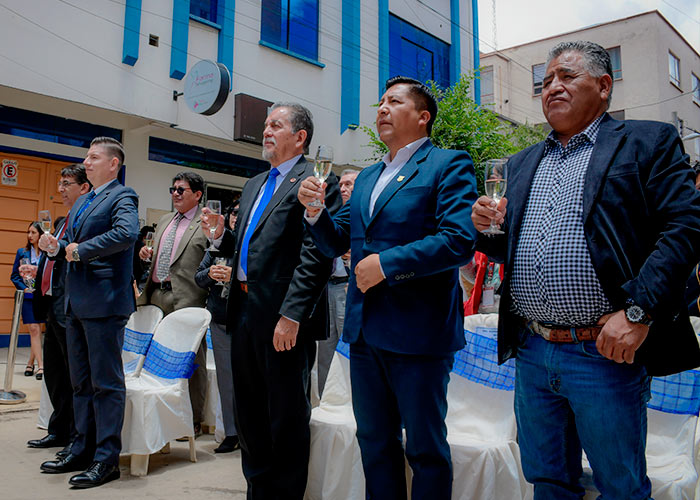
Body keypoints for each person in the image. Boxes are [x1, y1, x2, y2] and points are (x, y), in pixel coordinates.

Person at [471, 41, 700, 499]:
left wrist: (639, 312)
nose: (552, 86)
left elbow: (686, 226)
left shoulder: (646, 141)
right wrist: (487, 229)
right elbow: (506, 250)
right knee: (548, 480)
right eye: (546, 80)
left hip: (604, 351)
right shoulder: (521, 163)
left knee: (620, 487)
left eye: (567, 77)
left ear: (603, 86)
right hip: (534, 349)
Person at [298, 76, 478, 499]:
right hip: (365, 333)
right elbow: (334, 241)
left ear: (422, 116)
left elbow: (458, 239)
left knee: (425, 449)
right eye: (380, 101)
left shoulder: (448, 163)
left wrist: (387, 265)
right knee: (375, 444)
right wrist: (314, 213)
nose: (381, 108)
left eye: (394, 101)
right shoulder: (367, 177)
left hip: (419, 332)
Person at [202, 102, 341, 499]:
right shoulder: (254, 184)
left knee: (285, 416)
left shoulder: (315, 181)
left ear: (300, 137)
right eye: (265, 125)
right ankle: (257, 491)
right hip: (243, 310)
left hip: (282, 319)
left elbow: (315, 254)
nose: (266, 131)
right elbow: (248, 248)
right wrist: (218, 237)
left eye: (275, 125)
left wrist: (293, 314)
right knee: (249, 415)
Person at [38, 136, 139, 489]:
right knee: (80, 382)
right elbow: (69, 248)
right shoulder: (84, 202)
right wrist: (55, 248)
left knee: (106, 384)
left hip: (105, 303)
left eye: (94, 157)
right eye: (87, 155)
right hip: (75, 303)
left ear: (113, 164)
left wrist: (79, 251)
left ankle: (106, 458)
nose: (87, 161)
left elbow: (127, 233)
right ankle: (80, 447)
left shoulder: (122, 196)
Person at [25, 165, 91, 458]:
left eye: (67, 184)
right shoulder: (63, 220)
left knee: (73, 376)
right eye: (60, 184)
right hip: (53, 305)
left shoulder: (84, 220)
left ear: (84, 187)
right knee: (54, 373)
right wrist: (36, 269)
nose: (61, 189)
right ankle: (58, 429)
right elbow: (55, 258)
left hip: (71, 306)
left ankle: (77, 437)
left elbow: (73, 256)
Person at [137, 171, 209, 436]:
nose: (175, 194)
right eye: (173, 189)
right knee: (156, 358)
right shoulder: (165, 220)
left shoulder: (206, 222)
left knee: (190, 361)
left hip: (188, 299)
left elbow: (216, 257)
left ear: (198, 195)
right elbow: (159, 255)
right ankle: (161, 413)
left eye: (182, 190)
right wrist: (147, 254)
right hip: (157, 294)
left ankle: (193, 418)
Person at [194, 201, 239, 454]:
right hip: (220, 318)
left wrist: (233, 275)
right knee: (226, 379)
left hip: (245, 318)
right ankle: (231, 432)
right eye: (233, 213)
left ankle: (249, 430)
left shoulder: (248, 247)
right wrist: (212, 272)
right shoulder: (215, 245)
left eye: (240, 214)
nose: (235, 217)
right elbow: (198, 278)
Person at [317, 168, 358, 396]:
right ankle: (326, 402)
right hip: (326, 288)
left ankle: (352, 402)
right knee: (325, 351)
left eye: (349, 184)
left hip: (348, 287)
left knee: (350, 350)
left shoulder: (364, 214)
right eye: (341, 184)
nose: (343, 189)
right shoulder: (330, 213)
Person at [10, 221, 45, 380]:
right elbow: (14, 276)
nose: (30, 236)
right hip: (28, 296)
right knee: (33, 329)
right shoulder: (22, 252)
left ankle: (30, 362)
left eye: (33, 232)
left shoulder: (47, 253)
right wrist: (23, 288)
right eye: (28, 232)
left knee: (37, 330)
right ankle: (41, 366)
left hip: (44, 296)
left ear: (40, 235)